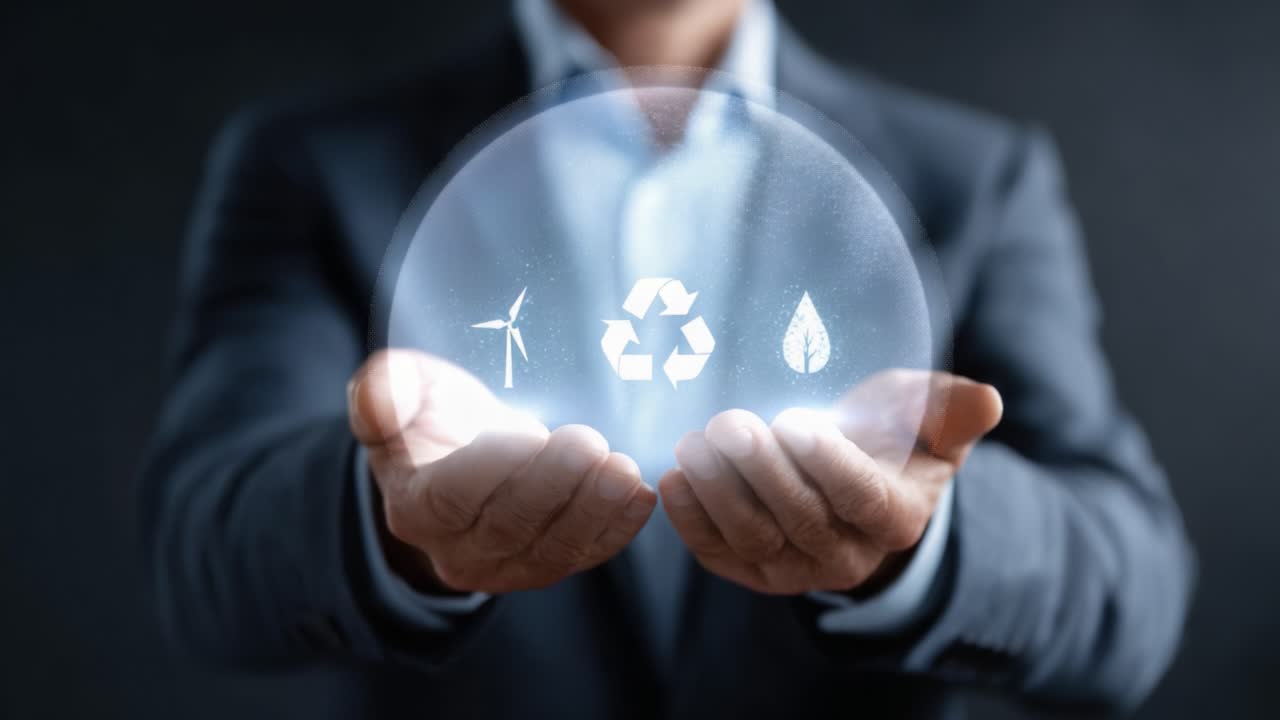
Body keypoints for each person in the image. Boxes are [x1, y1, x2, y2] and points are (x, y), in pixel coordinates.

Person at [140, 0, 1195, 717]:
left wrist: (916, 548)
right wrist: (388, 528)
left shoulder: (971, 177)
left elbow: (1129, 590)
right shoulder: (319, 163)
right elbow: (204, 555)